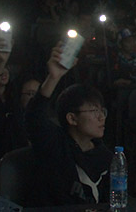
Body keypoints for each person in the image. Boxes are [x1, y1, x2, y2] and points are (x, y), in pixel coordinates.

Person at [25, 44, 112, 206]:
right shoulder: (54, 144)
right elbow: (34, 117)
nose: (101, 117)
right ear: (72, 118)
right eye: (94, 111)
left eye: (102, 111)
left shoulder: (105, 156)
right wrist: (53, 77)